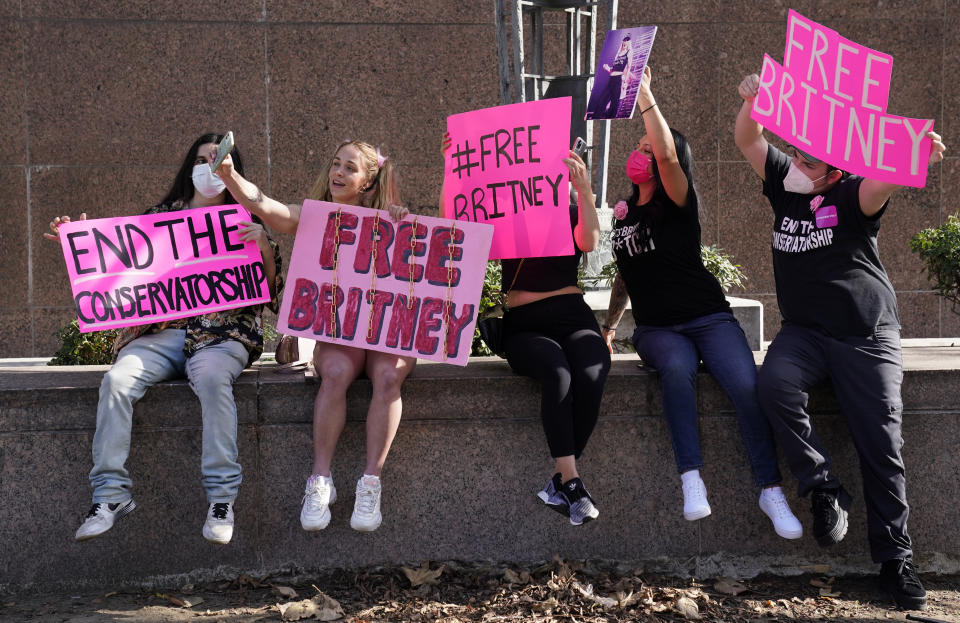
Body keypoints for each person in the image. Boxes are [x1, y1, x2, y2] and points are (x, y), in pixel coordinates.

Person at [735, 72, 946, 610]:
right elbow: (748, 139)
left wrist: (913, 154)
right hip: (804, 334)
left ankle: (896, 561)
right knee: (774, 387)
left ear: (834, 173)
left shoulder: (854, 195)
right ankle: (824, 488)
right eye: (797, 157)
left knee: (882, 444)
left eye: (809, 162)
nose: (797, 165)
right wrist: (754, 102)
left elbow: (886, 179)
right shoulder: (786, 183)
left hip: (865, 335)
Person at [45, 133, 282, 545]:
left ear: (233, 171)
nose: (210, 167)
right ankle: (109, 495)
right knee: (117, 382)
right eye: (203, 159)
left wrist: (261, 245)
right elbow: (117, 271)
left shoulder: (248, 219)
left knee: (211, 379)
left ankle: (221, 499)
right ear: (189, 166)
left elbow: (272, 294)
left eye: (219, 159)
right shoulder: (157, 218)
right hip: (161, 336)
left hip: (223, 336)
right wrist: (80, 242)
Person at [602, 66, 802, 539]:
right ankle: (691, 479)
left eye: (650, 148)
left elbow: (669, 157)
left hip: (708, 317)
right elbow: (626, 276)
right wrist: (609, 326)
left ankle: (769, 488)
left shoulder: (678, 200)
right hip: (658, 330)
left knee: (745, 385)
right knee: (676, 371)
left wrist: (646, 93)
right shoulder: (624, 215)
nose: (642, 151)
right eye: (641, 145)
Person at [216, 139, 410, 533]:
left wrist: (402, 223)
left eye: (350, 168)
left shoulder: (391, 219)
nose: (338, 172)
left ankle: (370, 481)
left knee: (390, 376)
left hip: (384, 334)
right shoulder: (316, 216)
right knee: (335, 372)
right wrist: (229, 176)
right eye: (335, 164)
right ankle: (320, 480)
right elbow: (265, 206)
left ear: (368, 181)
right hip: (340, 336)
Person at [442, 128, 611, 526]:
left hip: (574, 315)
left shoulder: (570, 211)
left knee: (592, 372)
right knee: (557, 373)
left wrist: (583, 189)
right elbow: (456, 232)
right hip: (524, 325)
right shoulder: (502, 213)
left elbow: (589, 241)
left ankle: (563, 479)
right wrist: (452, 171)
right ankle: (569, 481)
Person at [588, 35, 632, 120]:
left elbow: (628, 68)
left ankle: (610, 118)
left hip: (618, 80)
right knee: (602, 100)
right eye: (623, 44)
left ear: (628, 45)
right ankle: (595, 117)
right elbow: (613, 70)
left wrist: (625, 82)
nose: (623, 46)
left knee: (614, 102)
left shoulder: (629, 53)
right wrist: (608, 68)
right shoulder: (618, 54)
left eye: (625, 45)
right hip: (611, 79)